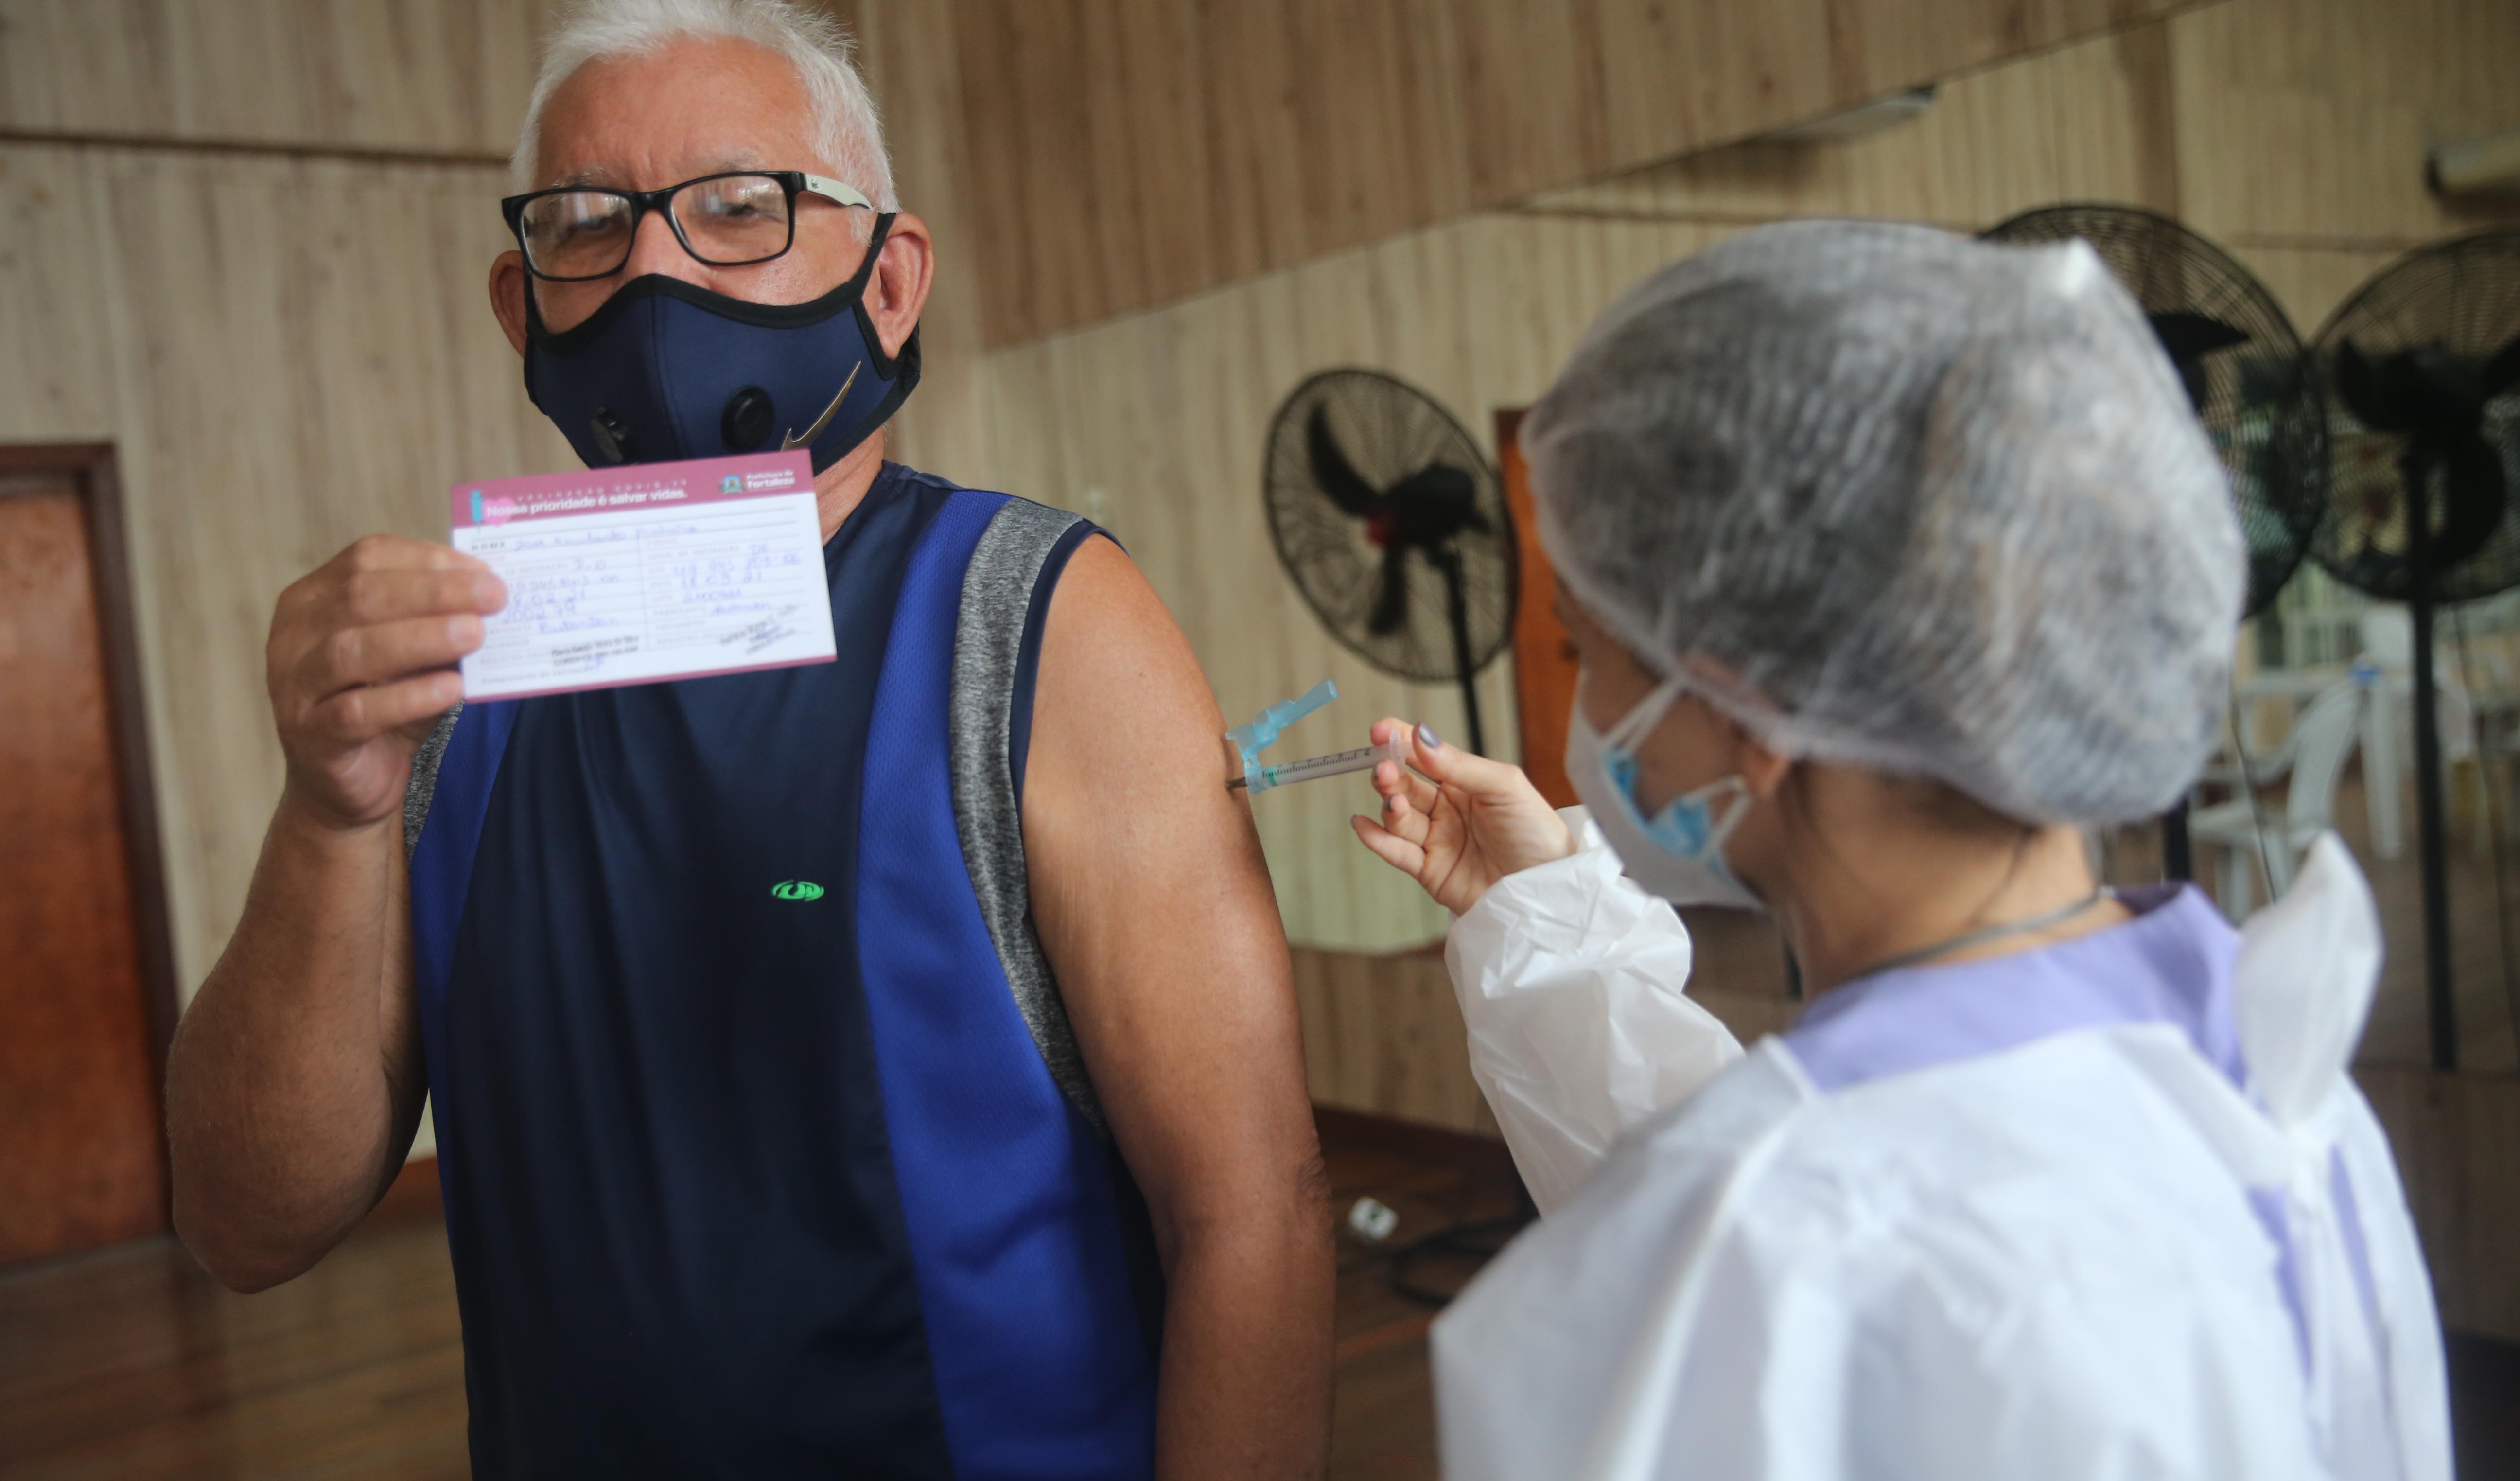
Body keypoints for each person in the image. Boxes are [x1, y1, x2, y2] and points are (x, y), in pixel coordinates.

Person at [164, 3, 1333, 1476]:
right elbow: (244, 1226)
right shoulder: (453, 682)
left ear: (891, 281)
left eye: (736, 208)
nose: (653, 268)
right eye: (587, 224)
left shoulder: (1036, 624)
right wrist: (326, 810)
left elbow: (1253, 1207)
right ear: (521, 311)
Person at [1352, 221, 2450, 1479]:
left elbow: (1765, 1242)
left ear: (1750, 706)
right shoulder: (2268, 1065)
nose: (1591, 720)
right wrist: (1540, 919)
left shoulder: (1781, 1229)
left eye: (1583, 649)